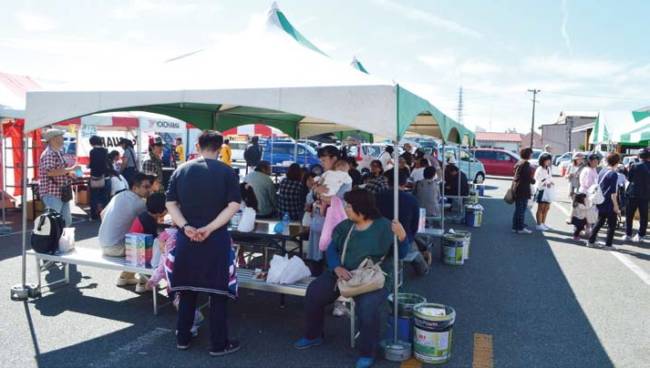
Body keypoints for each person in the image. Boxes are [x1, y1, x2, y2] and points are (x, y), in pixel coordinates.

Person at [294, 189, 407, 368]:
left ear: (361, 209)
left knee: (367, 307)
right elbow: (331, 249)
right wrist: (336, 267)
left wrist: (402, 237)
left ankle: (367, 352)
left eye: (349, 205)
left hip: (374, 278)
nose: (345, 208)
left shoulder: (385, 227)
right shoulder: (345, 226)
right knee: (314, 292)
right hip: (342, 274)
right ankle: (313, 335)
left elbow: (400, 255)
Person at [165, 130, 242, 356]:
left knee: (187, 289)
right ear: (220, 148)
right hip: (216, 238)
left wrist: (186, 226)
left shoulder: (182, 170)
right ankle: (218, 344)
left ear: (197, 146)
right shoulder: (227, 172)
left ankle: (183, 337)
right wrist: (209, 228)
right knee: (218, 292)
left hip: (187, 239)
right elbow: (233, 206)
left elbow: (170, 203)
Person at [98, 172, 153, 290]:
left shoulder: (119, 195)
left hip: (103, 244)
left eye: (150, 186)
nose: (149, 190)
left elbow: (102, 214)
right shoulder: (139, 203)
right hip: (116, 248)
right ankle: (145, 281)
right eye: (146, 187)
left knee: (134, 238)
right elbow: (148, 224)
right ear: (135, 188)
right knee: (150, 241)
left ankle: (125, 276)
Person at [376, 169, 428, 275]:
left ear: (388, 182)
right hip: (402, 239)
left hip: (379, 239)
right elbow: (415, 226)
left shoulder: (377, 197)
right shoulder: (412, 200)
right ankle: (423, 269)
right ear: (404, 184)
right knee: (412, 243)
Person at [306, 145, 350, 269]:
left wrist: (318, 193)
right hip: (317, 224)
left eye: (324, 160)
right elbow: (309, 199)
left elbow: (340, 202)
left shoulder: (345, 180)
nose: (321, 163)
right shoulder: (324, 176)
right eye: (321, 160)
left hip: (332, 227)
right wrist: (316, 191)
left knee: (330, 263)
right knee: (316, 263)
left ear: (334, 159)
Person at [38, 128, 80, 227]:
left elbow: (61, 169)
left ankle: (60, 241)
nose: (63, 139)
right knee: (54, 223)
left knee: (66, 221)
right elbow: (50, 172)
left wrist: (70, 173)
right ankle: (54, 242)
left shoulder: (57, 152)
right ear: (53, 139)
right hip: (52, 193)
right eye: (61, 136)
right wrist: (71, 169)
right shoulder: (49, 154)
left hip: (60, 192)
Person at [587, 153, 621, 249]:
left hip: (600, 200)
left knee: (600, 221)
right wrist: (616, 206)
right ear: (617, 162)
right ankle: (608, 244)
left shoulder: (603, 170)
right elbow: (613, 193)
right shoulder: (613, 174)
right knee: (612, 224)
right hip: (609, 202)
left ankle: (591, 241)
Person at [624, 147, 650, 242]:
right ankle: (641, 235)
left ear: (639, 156)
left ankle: (628, 234)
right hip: (646, 194)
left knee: (629, 215)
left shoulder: (635, 165)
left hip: (633, 193)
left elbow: (629, 179)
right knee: (644, 216)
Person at [511, 148, 536, 234]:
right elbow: (527, 177)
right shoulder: (525, 164)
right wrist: (533, 181)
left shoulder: (519, 162)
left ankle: (515, 226)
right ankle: (520, 228)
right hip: (522, 189)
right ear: (527, 154)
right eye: (531, 154)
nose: (532, 155)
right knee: (521, 210)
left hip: (518, 188)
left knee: (518, 209)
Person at [88, 135, 109, 220]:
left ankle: (94, 215)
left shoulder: (93, 151)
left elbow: (93, 164)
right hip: (104, 176)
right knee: (104, 197)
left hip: (95, 176)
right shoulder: (105, 150)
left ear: (92, 143)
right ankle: (105, 214)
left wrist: (89, 166)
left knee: (94, 197)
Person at [534, 154, 555, 231]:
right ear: (542, 160)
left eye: (549, 160)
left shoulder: (549, 168)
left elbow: (550, 178)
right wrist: (546, 183)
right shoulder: (539, 169)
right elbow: (537, 179)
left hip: (548, 190)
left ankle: (543, 223)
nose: (548, 161)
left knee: (546, 208)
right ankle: (538, 224)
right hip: (541, 190)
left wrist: (551, 182)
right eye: (547, 160)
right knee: (541, 207)